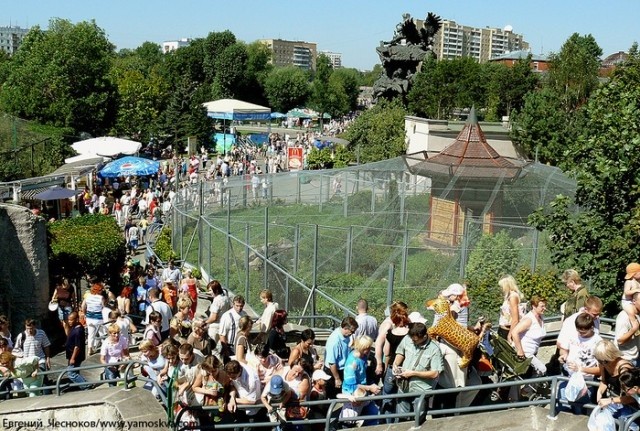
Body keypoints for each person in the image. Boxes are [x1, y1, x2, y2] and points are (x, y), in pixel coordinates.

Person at [392, 322, 444, 423]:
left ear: (424, 336)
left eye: (415, 340)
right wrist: (396, 364)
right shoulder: (408, 338)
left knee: (418, 421)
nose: (413, 342)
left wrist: (413, 373)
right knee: (402, 420)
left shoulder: (434, 349)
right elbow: (400, 351)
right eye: (411, 339)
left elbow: (435, 373)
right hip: (403, 387)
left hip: (421, 390)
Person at [558, 313, 602, 414]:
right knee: (564, 409)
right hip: (567, 377)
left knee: (579, 412)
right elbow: (564, 349)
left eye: (584, 332)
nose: (580, 334)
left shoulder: (598, 342)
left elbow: (600, 370)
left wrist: (580, 369)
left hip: (585, 383)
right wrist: (563, 356)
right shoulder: (572, 335)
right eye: (579, 331)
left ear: (591, 327)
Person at [377, 304, 411, 421]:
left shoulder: (390, 334)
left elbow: (387, 353)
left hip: (392, 367)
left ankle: (388, 422)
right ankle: (400, 423)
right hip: (406, 369)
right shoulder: (410, 333)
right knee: (403, 398)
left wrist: (385, 367)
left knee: (388, 397)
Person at [341, 335, 380, 425]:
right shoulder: (352, 363)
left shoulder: (363, 356)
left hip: (362, 392)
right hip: (352, 394)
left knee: (374, 413)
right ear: (363, 348)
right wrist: (370, 388)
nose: (370, 349)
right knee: (349, 421)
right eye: (368, 348)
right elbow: (351, 385)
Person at [594, 339, 635, 422]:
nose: (602, 364)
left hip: (631, 406)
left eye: (604, 361)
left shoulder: (625, 369)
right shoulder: (603, 364)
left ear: (612, 356)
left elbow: (632, 397)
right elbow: (604, 381)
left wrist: (610, 401)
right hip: (616, 402)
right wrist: (599, 393)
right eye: (598, 360)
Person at [510, 296, 548, 375]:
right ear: (534, 306)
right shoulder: (529, 319)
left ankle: (527, 387)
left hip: (532, 352)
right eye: (542, 306)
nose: (545, 308)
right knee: (542, 369)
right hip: (525, 352)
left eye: (545, 306)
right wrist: (520, 351)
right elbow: (514, 332)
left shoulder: (540, 317)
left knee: (534, 373)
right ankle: (528, 388)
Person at [192, 355, 232, 424]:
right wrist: (208, 391)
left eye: (213, 371)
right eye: (209, 371)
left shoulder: (224, 375)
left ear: (218, 367)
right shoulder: (203, 374)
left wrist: (225, 401)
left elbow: (227, 389)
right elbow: (194, 387)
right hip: (205, 408)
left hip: (219, 408)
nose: (211, 373)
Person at [324, 316, 358, 398]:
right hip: (333, 372)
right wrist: (337, 378)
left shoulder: (346, 336)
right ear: (346, 328)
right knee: (334, 396)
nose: (352, 334)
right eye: (352, 331)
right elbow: (332, 363)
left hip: (342, 369)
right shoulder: (335, 341)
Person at [225, 359, 265, 426]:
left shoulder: (252, 380)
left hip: (251, 411)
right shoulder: (234, 367)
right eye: (230, 377)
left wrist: (233, 400)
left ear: (239, 371)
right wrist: (232, 398)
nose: (231, 379)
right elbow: (232, 385)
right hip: (239, 408)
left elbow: (252, 401)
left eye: (233, 377)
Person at [64, 312, 90, 390]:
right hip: (71, 354)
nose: (69, 322)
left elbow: (77, 346)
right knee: (75, 371)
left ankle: (85, 385)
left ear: (76, 319)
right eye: (68, 320)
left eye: (71, 320)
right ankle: (82, 385)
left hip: (76, 356)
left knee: (71, 373)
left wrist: (73, 358)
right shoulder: (74, 327)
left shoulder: (78, 330)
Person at [218, 295, 248, 362]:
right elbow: (222, 334)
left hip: (241, 345)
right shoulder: (227, 316)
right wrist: (225, 350)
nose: (239, 308)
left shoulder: (244, 314)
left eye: (241, 306)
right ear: (233, 304)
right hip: (230, 347)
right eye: (237, 305)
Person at [81, 282, 106, 355]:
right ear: (99, 290)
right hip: (99, 318)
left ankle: (90, 349)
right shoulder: (101, 298)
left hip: (89, 318)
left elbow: (83, 306)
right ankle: (104, 350)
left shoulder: (87, 296)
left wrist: (85, 314)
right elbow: (103, 307)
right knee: (102, 334)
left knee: (90, 334)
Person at [616, 291, 640, 364]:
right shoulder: (624, 317)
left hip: (635, 357)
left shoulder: (637, 315)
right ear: (634, 301)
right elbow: (620, 340)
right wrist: (633, 330)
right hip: (625, 359)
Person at [498, 275, 523, 340]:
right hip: (503, 329)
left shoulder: (513, 297)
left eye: (502, 286)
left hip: (508, 331)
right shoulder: (508, 296)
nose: (501, 288)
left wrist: (510, 335)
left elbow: (515, 319)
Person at [622, 262, 640, 330]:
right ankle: (634, 325)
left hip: (633, 301)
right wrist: (636, 290)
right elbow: (626, 292)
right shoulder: (629, 282)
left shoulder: (638, 281)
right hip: (627, 302)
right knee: (631, 313)